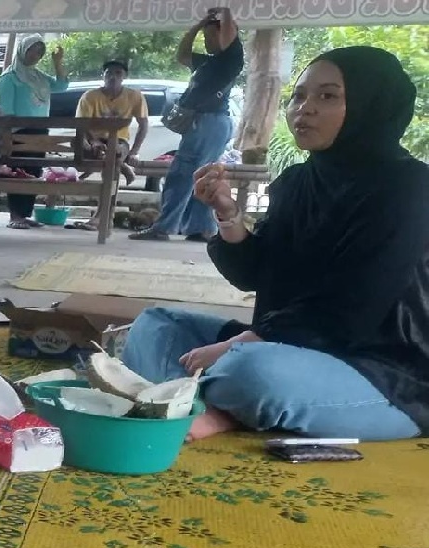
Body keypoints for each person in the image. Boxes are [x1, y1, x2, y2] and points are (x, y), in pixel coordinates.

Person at [120, 46, 429, 443]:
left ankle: (205, 400)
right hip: (287, 344)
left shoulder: (409, 188)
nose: (305, 108)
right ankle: (214, 404)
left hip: (382, 371)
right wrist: (227, 213)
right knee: (153, 325)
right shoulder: (299, 182)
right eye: (299, 95)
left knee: (252, 371)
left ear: (374, 103)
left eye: (328, 96)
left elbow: (352, 306)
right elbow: (253, 273)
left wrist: (236, 346)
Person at [130, 7, 243, 243]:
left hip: (211, 122)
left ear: (225, 36)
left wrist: (225, 14)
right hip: (201, 123)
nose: (207, 40)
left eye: (211, 36)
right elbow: (182, 55)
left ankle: (172, 228)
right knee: (193, 176)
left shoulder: (231, 59)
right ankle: (198, 229)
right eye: (205, 37)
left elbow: (229, 35)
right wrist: (198, 26)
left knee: (186, 175)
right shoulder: (207, 62)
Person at [0, 34, 69, 229]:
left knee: (34, 171)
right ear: (22, 50)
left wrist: (58, 62)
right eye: (32, 50)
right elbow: (7, 112)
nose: (35, 55)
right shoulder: (9, 78)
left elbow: (61, 86)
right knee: (18, 171)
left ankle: (25, 214)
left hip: (40, 131)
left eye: (39, 52)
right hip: (19, 132)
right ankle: (15, 215)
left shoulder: (39, 76)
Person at [74, 59, 149, 231]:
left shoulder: (134, 96)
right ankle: (122, 167)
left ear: (124, 77)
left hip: (118, 142)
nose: (113, 77)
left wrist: (135, 151)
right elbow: (81, 124)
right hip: (95, 140)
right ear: (103, 76)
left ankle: (101, 217)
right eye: (109, 73)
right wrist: (93, 141)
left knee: (112, 163)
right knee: (107, 160)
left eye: (118, 73)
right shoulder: (90, 96)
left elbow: (144, 125)